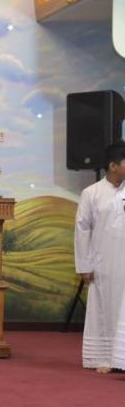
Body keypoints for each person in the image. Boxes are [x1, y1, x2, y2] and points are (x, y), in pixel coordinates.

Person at [75, 142, 125, 372]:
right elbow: (82, 229)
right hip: (102, 262)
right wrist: (84, 265)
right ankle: (104, 358)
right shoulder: (91, 193)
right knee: (104, 307)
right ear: (113, 166)